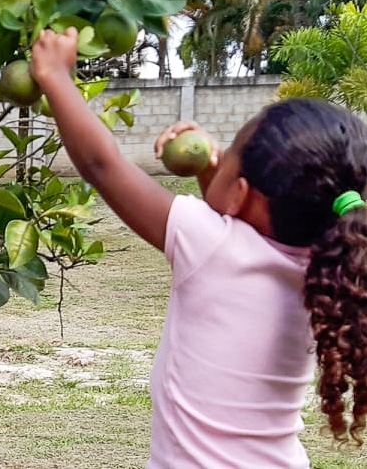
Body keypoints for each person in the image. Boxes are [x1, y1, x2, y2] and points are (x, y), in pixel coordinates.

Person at [29, 27, 367, 468]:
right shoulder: (330, 268)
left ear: (241, 194)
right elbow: (235, 223)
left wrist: (56, 77)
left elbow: (101, 165)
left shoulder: (205, 242)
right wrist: (214, 169)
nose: (217, 157)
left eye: (228, 157)